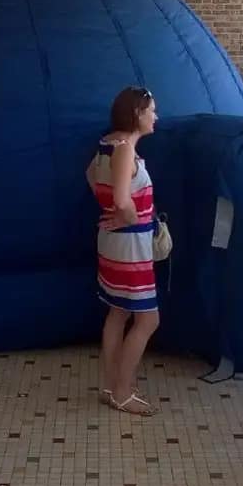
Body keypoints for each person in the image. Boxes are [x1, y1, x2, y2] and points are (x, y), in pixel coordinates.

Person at [89, 86, 161, 416]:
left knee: (117, 313)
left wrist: (112, 211)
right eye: (152, 111)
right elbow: (121, 199)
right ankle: (121, 391)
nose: (156, 116)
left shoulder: (107, 143)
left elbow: (90, 175)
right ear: (137, 114)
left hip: (114, 243)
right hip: (129, 247)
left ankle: (112, 386)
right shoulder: (124, 149)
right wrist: (126, 216)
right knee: (148, 319)